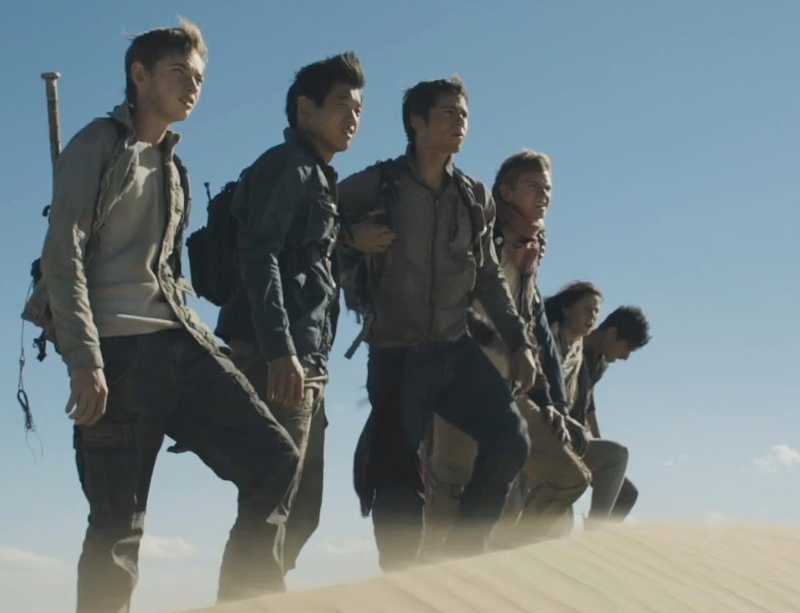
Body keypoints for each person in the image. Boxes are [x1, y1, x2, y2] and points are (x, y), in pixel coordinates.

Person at [25, 19, 299, 613]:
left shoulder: (173, 168)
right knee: (117, 526)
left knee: (275, 460)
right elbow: (63, 255)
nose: (192, 85)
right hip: (117, 358)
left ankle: (245, 610)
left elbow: (167, 276)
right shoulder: (97, 145)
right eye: (179, 72)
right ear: (140, 74)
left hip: (181, 348)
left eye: (198, 77)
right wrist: (84, 360)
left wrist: (210, 346)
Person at [337, 76, 537, 569]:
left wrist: (520, 342)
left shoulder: (473, 196)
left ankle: (460, 561)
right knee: (396, 477)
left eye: (464, 114)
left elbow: (488, 278)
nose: (459, 122)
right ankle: (402, 583)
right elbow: (313, 217)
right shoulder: (378, 184)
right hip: (395, 353)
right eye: (448, 112)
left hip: (453, 349)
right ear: (416, 121)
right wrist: (351, 236)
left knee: (510, 440)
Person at [216, 52, 365, 574]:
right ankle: (247, 604)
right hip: (280, 357)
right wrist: (280, 350)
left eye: (359, 109)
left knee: (300, 511)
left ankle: (258, 597)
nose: (353, 117)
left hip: (308, 360)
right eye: (341, 104)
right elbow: (259, 256)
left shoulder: (318, 175)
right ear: (306, 109)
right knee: (272, 504)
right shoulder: (288, 166)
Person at [424, 150, 588, 554]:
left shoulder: (531, 250)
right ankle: (433, 580)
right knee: (447, 498)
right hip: (460, 384)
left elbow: (529, 329)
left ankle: (506, 561)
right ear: (506, 191)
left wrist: (548, 401)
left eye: (548, 188)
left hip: (510, 391)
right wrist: (501, 345)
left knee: (570, 477)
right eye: (533, 186)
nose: (544, 195)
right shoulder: (478, 235)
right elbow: (449, 306)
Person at [555, 299, 652, 521]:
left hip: (577, 441)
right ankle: (595, 534)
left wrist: (596, 442)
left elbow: (588, 404)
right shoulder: (573, 349)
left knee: (626, 494)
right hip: (556, 438)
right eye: (627, 348)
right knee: (618, 455)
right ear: (612, 333)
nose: (625, 357)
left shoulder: (599, 363)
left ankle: (599, 537)